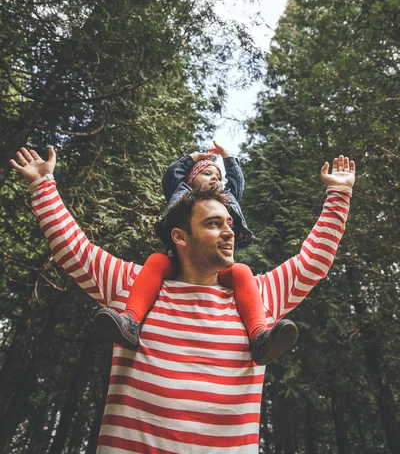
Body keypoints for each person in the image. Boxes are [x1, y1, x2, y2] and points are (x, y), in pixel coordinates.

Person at [10, 147, 355, 454]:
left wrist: (339, 192)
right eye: (214, 224)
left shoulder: (256, 297)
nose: (229, 232)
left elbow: (313, 262)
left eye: (230, 224)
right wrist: (43, 185)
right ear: (180, 236)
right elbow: (75, 251)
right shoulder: (132, 284)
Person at [93, 141, 298, 365]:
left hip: (216, 269)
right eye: (207, 173)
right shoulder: (183, 192)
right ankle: (130, 322)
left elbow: (237, 183)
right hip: (177, 260)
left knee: (242, 271)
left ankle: (259, 337)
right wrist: (193, 157)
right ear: (190, 179)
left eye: (218, 177)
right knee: (156, 261)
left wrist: (228, 158)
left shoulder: (226, 200)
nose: (215, 179)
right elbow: (173, 174)